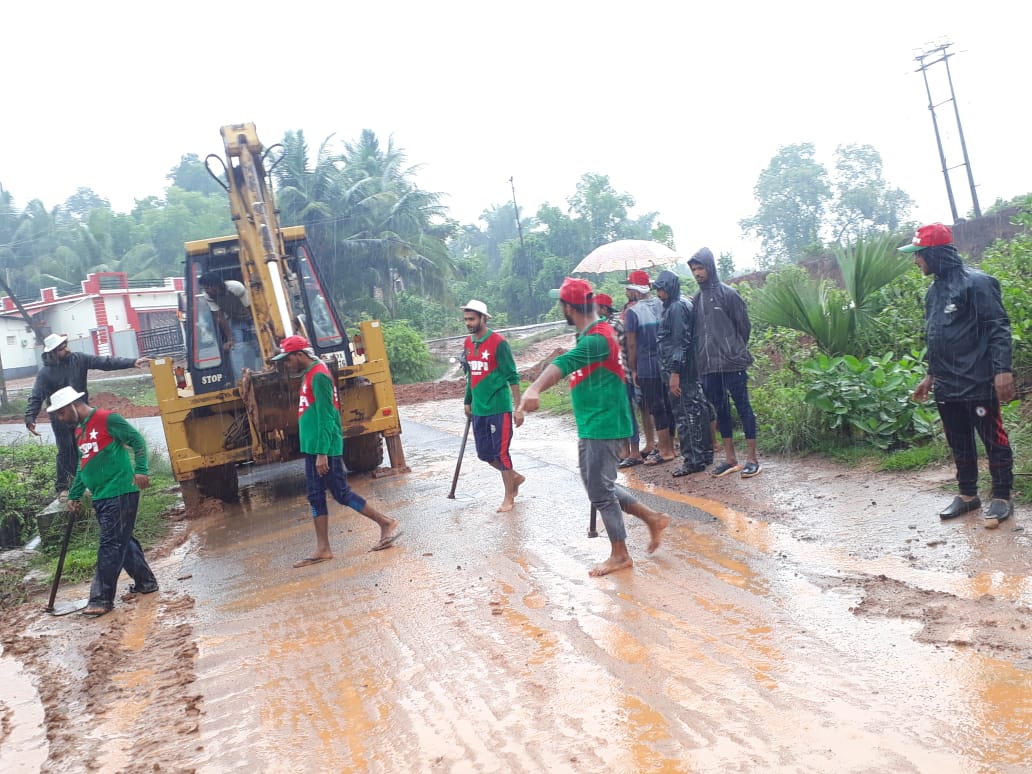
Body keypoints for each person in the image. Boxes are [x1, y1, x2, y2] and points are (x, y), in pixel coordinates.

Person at [520, 278, 670, 577]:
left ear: (567, 307)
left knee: (600, 491)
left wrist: (533, 389)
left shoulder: (598, 338)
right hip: (594, 423)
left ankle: (620, 554)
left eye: (559, 303)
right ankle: (651, 517)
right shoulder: (590, 334)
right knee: (597, 486)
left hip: (604, 423)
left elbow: (563, 362)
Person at [902, 223, 1016, 527]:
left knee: (994, 440)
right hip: (947, 385)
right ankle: (968, 495)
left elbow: (998, 327)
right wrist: (930, 376)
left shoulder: (977, 283)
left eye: (919, 254)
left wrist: (1002, 370)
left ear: (935, 253)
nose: (916, 260)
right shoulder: (933, 292)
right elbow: (936, 337)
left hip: (978, 380)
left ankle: (1002, 497)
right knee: (959, 441)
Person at [271, 335, 401, 566]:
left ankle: (385, 522)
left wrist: (322, 453)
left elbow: (327, 416)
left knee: (340, 493)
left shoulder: (319, 376)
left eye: (288, 359)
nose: (286, 364)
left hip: (324, 448)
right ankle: (323, 548)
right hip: (314, 447)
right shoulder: (310, 374)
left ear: (300, 355)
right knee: (315, 495)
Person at [48, 386, 158, 618]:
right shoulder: (79, 430)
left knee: (110, 544)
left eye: (60, 413)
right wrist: (75, 494)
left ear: (72, 405)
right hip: (101, 495)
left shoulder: (108, 419)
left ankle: (100, 599)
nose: (60, 418)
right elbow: (83, 465)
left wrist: (141, 470)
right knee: (121, 539)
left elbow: (137, 441)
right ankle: (145, 582)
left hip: (120, 491)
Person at [25, 333, 151, 496]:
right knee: (66, 450)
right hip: (61, 418)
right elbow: (36, 395)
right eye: (62, 349)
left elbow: (105, 362)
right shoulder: (45, 373)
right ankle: (63, 487)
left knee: (87, 447)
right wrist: (30, 417)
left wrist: (132, 362)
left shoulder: (79, 359)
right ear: (53, 352)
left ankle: (95, 480)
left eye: (66, 345)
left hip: (81, 413)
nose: (67, 349)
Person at [688, 248, 761, 478]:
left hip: (733, 364)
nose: (697, 273)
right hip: (709, 367)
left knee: (743, 407)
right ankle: (730, 459)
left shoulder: (728, 294)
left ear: (710, 267)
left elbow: (744, 328)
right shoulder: (696, 300)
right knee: (721, 410)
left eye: (700, 268)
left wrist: (732, 349)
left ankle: (752, 458)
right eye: (693, 270)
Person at [461, 299, 526, 512]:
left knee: (501, 453)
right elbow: (471, 374)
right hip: (479, 407)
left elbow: (512, 376)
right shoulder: (468, 343)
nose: (468, 323)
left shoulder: (499, 342)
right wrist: (468, 400)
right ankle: (513, 477)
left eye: (472, 319)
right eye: (466, 319)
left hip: (499, 406)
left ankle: (509, 496)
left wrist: (518, 408)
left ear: (483, 318)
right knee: (485, 454)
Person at [653, 270, 712, 477]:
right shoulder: (681, 304)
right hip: (687, 369)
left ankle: (693, 459)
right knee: (695, 410)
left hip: (680, 371)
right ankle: (703, 454)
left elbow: (680, 342)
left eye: (660, 290)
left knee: (685, 415)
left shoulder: (677, 307)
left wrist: (674, 373)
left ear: (668, 288)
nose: (659, 294)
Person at [623, 270, 676, 466]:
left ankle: (664, 450)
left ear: (635, 290)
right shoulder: (664, 304)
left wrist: (633, 369)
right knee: (668, 405)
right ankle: (670, 445)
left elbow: (631, 345)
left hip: (647, 365)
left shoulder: (633, 312)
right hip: (667, 363)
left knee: (655, 406)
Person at [596, 294, 644, 467]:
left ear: (603, 309)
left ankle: (635, 451)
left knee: (626, 413)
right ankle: (625, 450)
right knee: (620, 413)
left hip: (620, 374)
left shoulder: (612, 325)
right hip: (612, 376)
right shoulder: (604, 325)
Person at [198, 272, 259, 379]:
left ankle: (261, 368)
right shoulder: (208, 296)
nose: (206, 290)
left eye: (207, 287)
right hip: (235, 320)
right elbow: (220, 317)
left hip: (249, 317)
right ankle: (244, 377)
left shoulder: (236, 287)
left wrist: (256, 325)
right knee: (237, 347)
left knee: (258, 342)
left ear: (216, 285)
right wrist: (230, 338)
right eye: (204, 288)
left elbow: (250, 307)